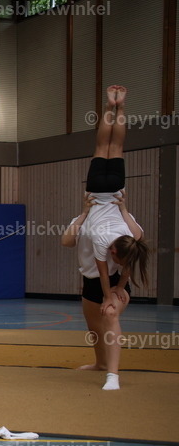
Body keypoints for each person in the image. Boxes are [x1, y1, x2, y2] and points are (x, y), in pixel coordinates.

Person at [61, 85, 150, 390]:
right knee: (108, 147)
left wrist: (114, 294)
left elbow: (117, 263)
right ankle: (102, 365)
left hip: (109, 191)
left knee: (108, 147)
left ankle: (117, 107)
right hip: (104, 195)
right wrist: (116, 289)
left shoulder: (123, 236)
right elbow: (118, 266)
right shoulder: (125, 239)